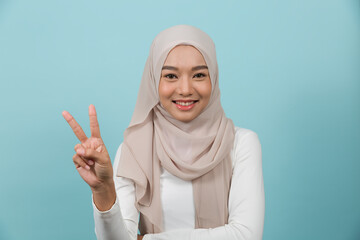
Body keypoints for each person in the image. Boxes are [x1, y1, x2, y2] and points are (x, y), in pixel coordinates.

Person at [62, 25, 265, 240]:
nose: (185, 89)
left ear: (213, 78)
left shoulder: (240, 143)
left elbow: (246, 235)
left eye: (198, 74)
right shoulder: (134, 149)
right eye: (170, 76)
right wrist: (103, 191)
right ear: (153, 81)